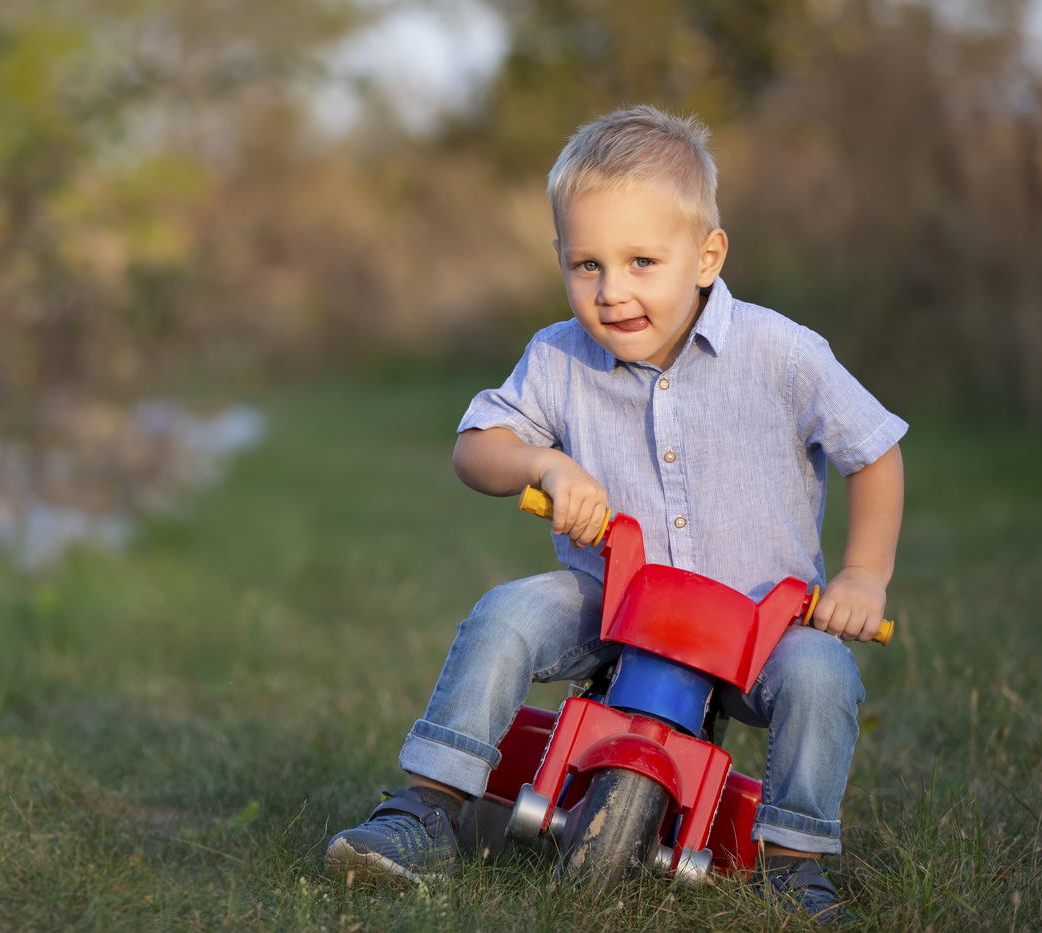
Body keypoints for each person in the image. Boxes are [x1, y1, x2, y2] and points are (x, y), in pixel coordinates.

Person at [323, 105, 905, 923]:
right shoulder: (559, 355)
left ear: (707, 256)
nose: (612, 291)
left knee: (822, 674)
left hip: (757, 621)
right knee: (508, 613)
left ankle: (794, 860)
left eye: (641, 261)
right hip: (614, 600)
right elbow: (475, 446)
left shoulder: (782, 354)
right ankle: (424, 809)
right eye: (586, 264)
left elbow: (873, 450)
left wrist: (863, 574)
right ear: (560, 258)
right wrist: (544, 462)